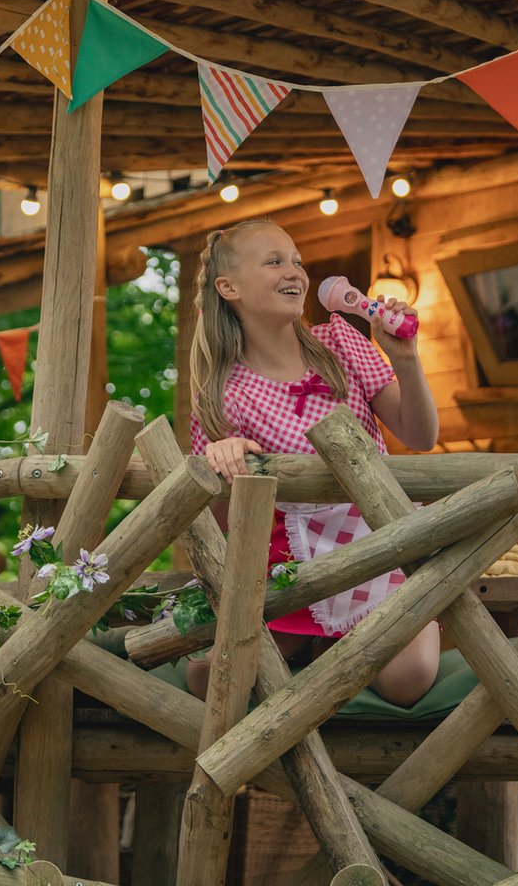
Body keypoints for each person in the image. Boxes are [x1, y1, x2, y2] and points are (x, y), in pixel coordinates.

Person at [188, 217, 440, 704]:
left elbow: (421, 435)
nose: (295, 271)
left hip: (377, 540)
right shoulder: (224, 396)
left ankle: (320, 650)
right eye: (275, 261)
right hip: (288, 564)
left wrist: (405, 357)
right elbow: (219, 525)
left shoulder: (342, 343)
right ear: (228, 287)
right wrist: (223, 460)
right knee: (209, 678)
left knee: (410, 678)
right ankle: (307, 639)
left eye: (297, 261)